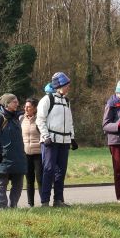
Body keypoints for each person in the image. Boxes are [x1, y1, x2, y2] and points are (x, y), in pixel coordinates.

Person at [36, 72, 76, 207]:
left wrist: (72, 138)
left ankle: (58, 200)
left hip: (64, 141)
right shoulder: (47, 99)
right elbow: (40, 120)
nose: (68, 87)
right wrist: (46, 136)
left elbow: (70, 121)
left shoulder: (67, 101)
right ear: (59, 86)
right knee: (48, 170)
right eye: (66, 85)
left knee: (61, 171)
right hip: (50, 141)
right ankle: (45, 201)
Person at [0, 93, 27, 208]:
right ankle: (3, 207)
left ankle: (13, 206)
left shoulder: (16, 117)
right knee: (2, 183)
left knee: (18, 184)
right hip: (4, 156)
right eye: (14, 102)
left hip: (19, 156)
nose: (17, 104)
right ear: (7, 104)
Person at [20, 98, 43, 207]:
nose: (26, 108)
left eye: (28, 106)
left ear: (35, 108)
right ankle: (30, 204)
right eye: (25, 106)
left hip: (38, 153)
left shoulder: (40, 119)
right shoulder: (21, 119)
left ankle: (44, 202)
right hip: (26, 154)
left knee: (40, 179)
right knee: (29, 180)